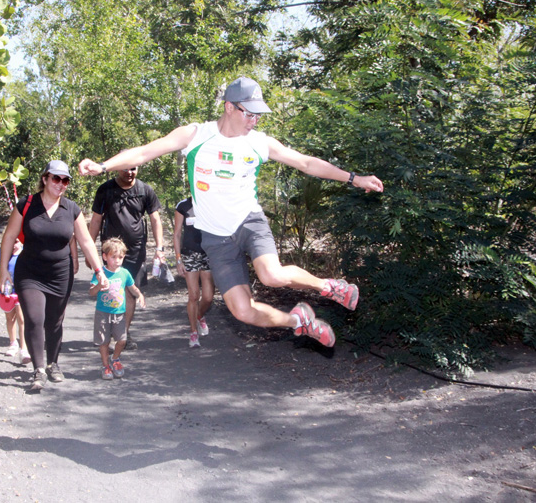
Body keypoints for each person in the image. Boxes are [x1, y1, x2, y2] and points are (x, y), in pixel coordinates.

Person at [79, 76, 384, 347]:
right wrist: (103, 165)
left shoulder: (259, 142)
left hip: (248, 221)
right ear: (229, 107)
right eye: (248, 113)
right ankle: (299, 321)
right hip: (215, 237)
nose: (254, 121)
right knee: (242, 311)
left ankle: (329, 287)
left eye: (257, 115)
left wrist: (354, 179)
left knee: (272, 275)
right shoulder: (196, 135)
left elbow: (306, 163)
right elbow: (146, 151)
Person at [0, 160, 109, 391]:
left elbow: (86, 241)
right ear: (45, 178)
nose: (61, 184)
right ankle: (38, 370)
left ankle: (53, 363)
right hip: (29, 272)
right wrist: (3, 272)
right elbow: (9, 237)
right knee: (34, 318)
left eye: (65, 180)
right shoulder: (26, 204)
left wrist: (99, 271)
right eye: (56, 179)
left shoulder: (71, 209)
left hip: (60, 273)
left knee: (55, 321)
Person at [87, 162, 165, 350]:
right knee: (109, 289)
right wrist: (89, 251)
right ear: (117, 168)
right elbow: (96, 220)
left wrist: (159, 248)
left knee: (130, 291)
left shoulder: (145, 190)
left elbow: (155, 219)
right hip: (111, 251)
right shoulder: (105, 190)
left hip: (135, 250)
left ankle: (123, 334)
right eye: (126, 168)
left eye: (134, 168)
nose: (130, 172)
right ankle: (107, 330)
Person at [89, 237, 146, 380]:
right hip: (102, 313)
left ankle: (115, 359)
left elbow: (132, 287)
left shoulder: (124, 273)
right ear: (105, 257)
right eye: (113, 257)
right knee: (104, 342)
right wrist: (99, 286)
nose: (117, 260)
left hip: (120, 314)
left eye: (120, 257)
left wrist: (139, 295)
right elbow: (91, 292)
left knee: (122, 340)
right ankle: (105, 365)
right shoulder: (100, 273)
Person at [173, 196, 214, 348]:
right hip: (189, 254)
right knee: (194, 295)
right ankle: (193, 332)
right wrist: (178, 260)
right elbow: (177, 234)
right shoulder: (183, 205)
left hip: (208, 254)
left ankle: (199, 315)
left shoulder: (211, 203)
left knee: (208, 297)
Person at [0, 238, 31, 364]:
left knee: (22, 319)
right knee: (10, 318)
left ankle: (24, 348)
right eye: (11, 241)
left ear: (22, 241)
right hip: (7, 290)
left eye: (16, 242)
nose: (14, 245)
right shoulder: (1, 253)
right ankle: (13, 343)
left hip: (22, 290)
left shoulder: (26, 253)